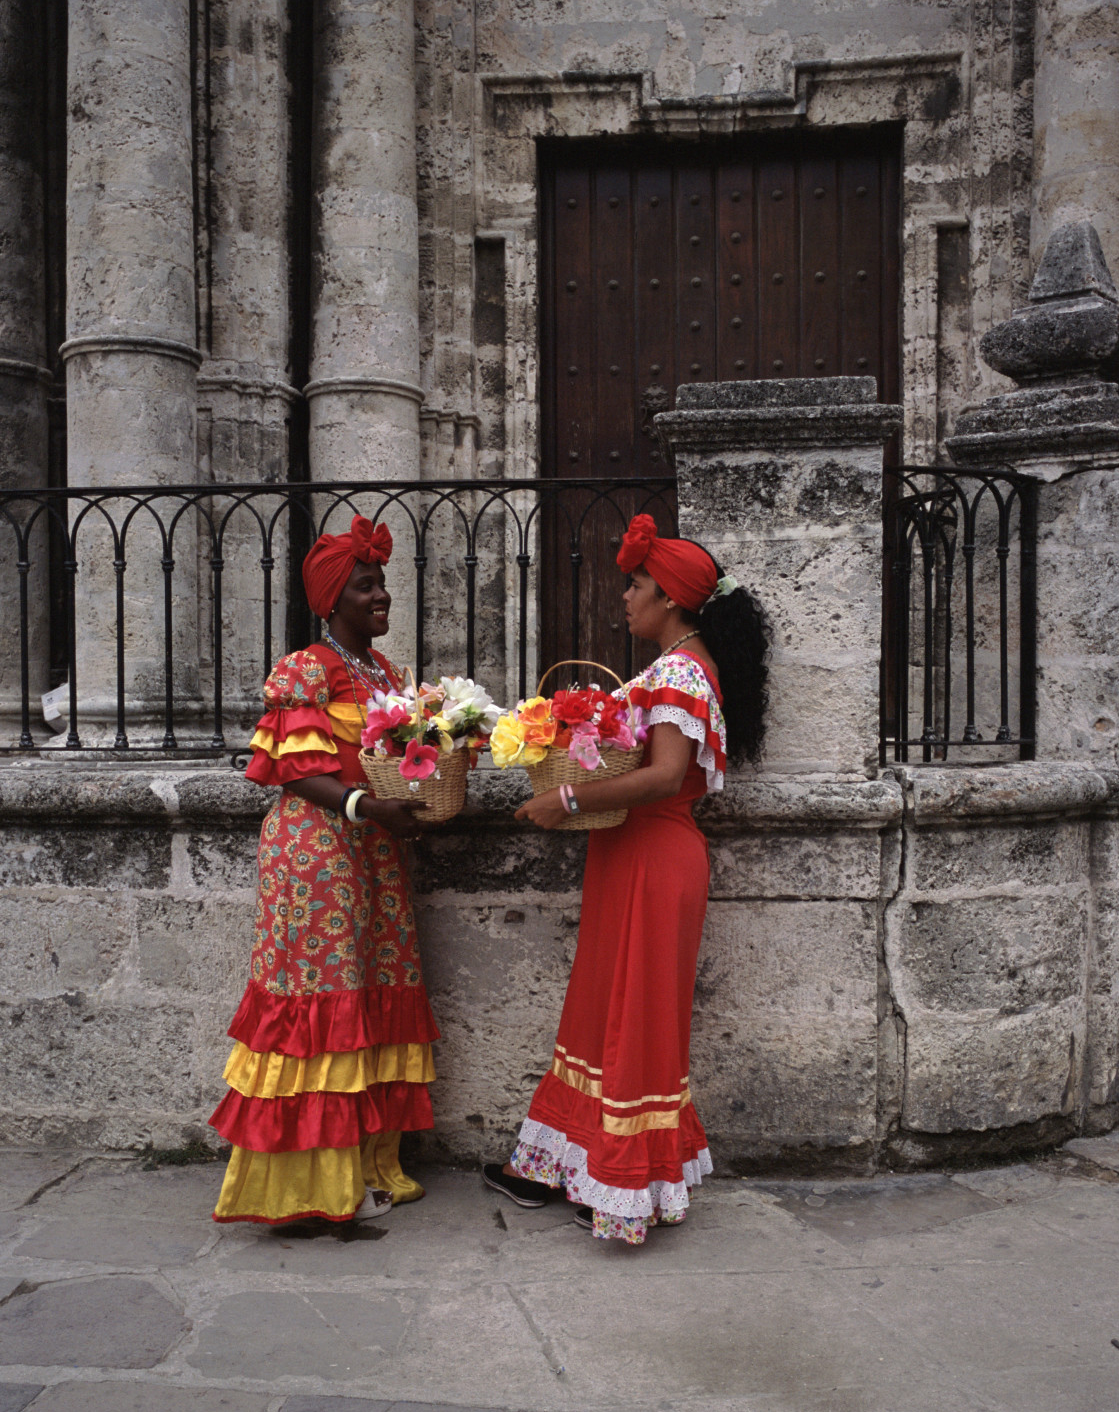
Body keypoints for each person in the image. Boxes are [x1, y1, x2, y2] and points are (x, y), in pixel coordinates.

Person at [483, 513, 767, 1245]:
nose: (625, 598)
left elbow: (666, 775)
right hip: (633, 855)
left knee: (633, 1018)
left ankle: (620, 1181)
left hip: (652, 854)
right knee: (602, 1009)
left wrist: (567, 797)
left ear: (669, 597)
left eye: (635, 585)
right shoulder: (681, 664)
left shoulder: (678, 670)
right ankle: (566, 1164)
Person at [211, 514, 438, 1226]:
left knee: (369, 990)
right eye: (366, 586)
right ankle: (314, 1185)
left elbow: (400, 758)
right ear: (331, 599)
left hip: (373, 851)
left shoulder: (388, 675)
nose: (382, 597)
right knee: (324, 1000)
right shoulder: (305, 668)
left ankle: (370, 1164)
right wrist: (370, 808)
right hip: (317, 854)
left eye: (383, 585)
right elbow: (293, 771)